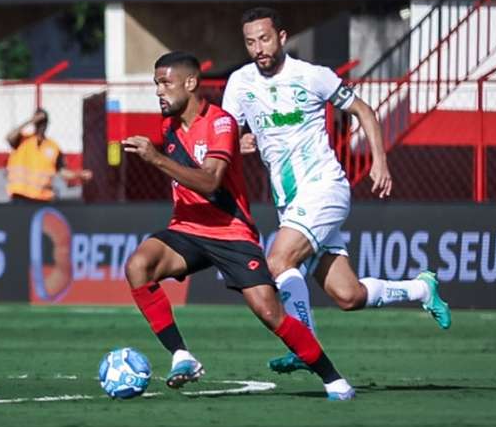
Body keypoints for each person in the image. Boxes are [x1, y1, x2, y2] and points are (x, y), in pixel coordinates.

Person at [221, 7, 451, 374]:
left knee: (278, 261)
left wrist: (380, 161)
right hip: (290, 202)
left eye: (264, 39)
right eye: (250, 42)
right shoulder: (240, 83)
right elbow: (226, 132)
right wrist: (239, 141)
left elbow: (364, 110)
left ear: (282, 37)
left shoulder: (312, 76)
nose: (258, 48)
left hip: (324, 189)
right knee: (348, 295)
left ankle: (304, 347)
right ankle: (421, 289)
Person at [122, 51, 355, 400]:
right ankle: (182, 355)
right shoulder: (168, 125)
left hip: (231, 232)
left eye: (166, 82)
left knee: (268, 311)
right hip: (187, 227)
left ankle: (333, 378)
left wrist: (155, 159)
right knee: (138, 266)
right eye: (157, 83)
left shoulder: (221, 123)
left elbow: (211, 183)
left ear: (190, 83)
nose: (159, 91)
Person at [5, 108, 92, 202]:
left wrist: (79, 175)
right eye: (38, 122)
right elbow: (9, 137)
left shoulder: (53, 147)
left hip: (42, 198)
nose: (41, 126)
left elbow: (62, 171)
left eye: (43, 122)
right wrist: (30, 120)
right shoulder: (22, 140)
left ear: (47, 124)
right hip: (20, 195)